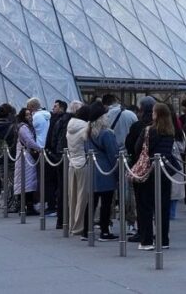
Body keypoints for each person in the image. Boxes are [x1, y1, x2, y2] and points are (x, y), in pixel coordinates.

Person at [134, 103, 184, 250]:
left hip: (149, 172)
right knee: (162, 207)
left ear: (156, 114)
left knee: (145, 207)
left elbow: (138, 149)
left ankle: (146, 240)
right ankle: (163, 240)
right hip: (164, 172)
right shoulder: (170, 131)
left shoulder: (148, 130)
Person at [83, 102, 119, 241]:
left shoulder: (88, 133)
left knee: (91, 201)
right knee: (106, 203)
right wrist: (117, 172)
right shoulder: (107, 134)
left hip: (93, 169)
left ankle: (86, 230)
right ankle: (104, 231)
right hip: (105, 171)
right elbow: (113, 154)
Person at [126, 96, 156, 241]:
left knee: (140, 201)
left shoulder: (138, 126)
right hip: (155, 166)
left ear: (141, 109)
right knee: (153, 201)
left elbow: (130, 145)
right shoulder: (159, 125)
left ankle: (143, 231)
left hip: (139, 167)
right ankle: (155, 230)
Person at [66, 103, 91, 237]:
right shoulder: (86, 127)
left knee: (72, 195)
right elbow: (87, 142)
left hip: (71, 163)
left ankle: (72, 225)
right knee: (83, 196)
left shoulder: (70, 126)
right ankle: (79, 226)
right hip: (83, 162)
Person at [12, 108, 43, 216]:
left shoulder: (22, 126)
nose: (29, 117)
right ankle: (28, 207)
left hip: (23, 156)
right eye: (27, 115)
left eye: (30, 114)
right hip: (26, 157)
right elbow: (29, 141)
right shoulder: (24, 127)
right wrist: (40, 148)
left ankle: (24, 207)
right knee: (27, 182)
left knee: (25, 182)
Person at [43, 100, 69, 218]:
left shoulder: (58, 120)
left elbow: (53, 138)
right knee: (55, 181)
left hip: (55, 154)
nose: (53, 108)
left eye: (56, 106)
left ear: (62, 108)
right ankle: (54, 206)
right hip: (56, 154)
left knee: (53, 181)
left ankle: (53, 206)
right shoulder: (56, 119)